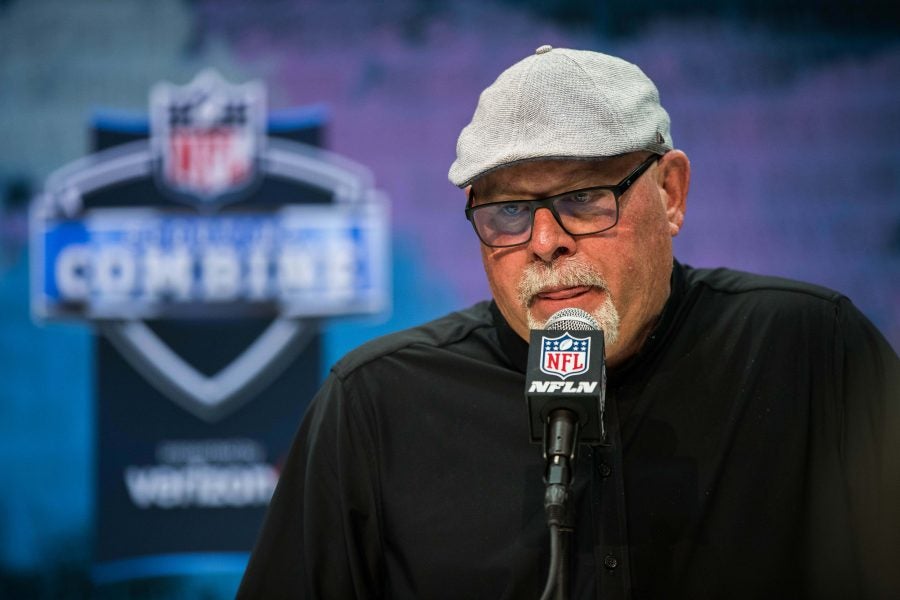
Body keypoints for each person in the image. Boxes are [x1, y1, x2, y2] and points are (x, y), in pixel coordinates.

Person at [236, 46, 900, 599]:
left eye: (584, 198)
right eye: (508, 213)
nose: (546, 241)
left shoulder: (812, 352)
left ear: (670, 193)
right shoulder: (374, 404)